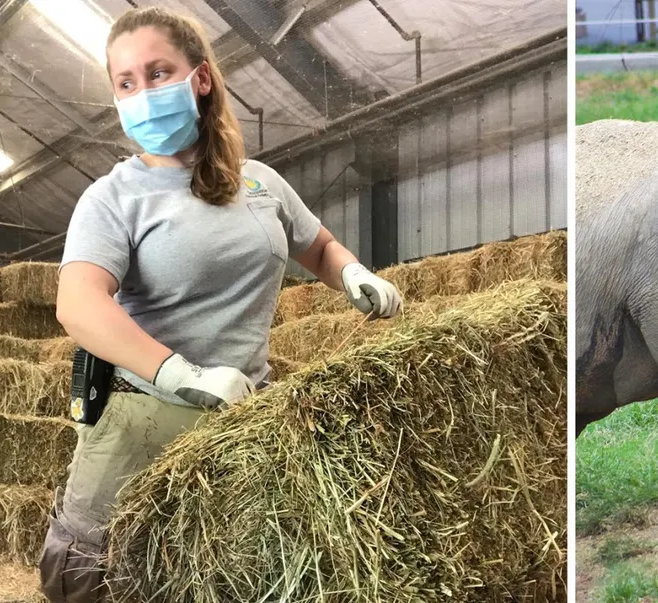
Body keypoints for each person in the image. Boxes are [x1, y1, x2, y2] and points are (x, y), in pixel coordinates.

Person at [39, 6, 403, 601]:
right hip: (143, 416)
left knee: (231, 578)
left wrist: (352, 273)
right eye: (126, 82)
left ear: (200, 78)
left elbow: (316, 246)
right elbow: (78, 306)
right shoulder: (113, 198)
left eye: (158, 73)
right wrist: (181, 374)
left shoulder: (257, 182)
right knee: (91, 577)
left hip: (241, 419)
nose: (143, 93)